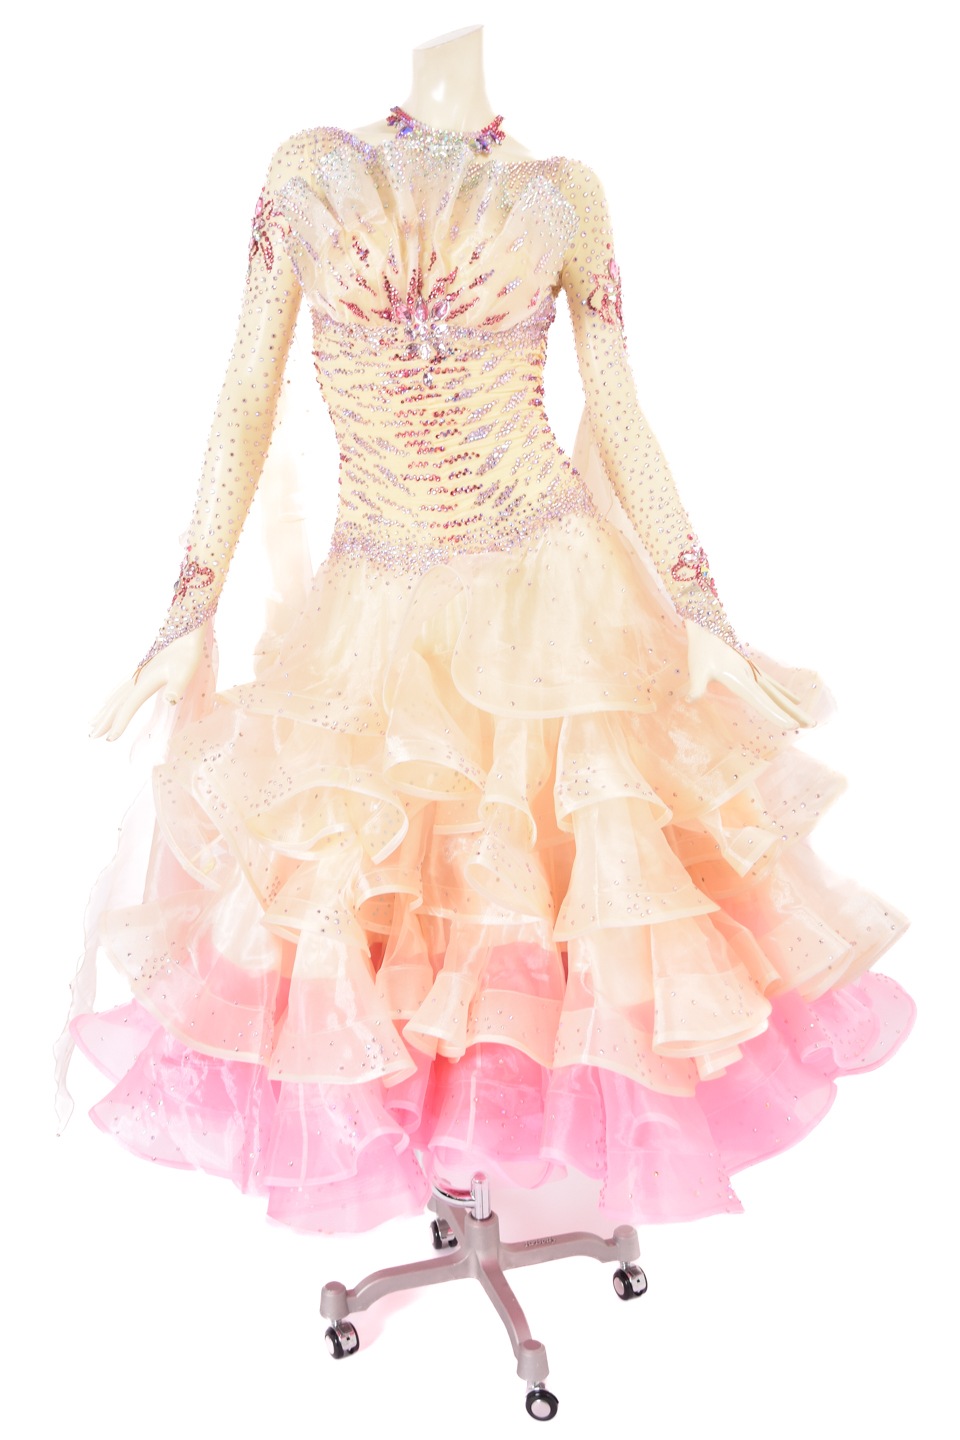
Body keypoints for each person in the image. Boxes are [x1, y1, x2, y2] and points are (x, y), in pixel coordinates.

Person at [55, 24, 914, 1235]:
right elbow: (244, 393)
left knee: (562, 895)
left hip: (549, 605)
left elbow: (619, 408)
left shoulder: (565, 193)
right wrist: (184, 611)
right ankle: (448, 1190)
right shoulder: (306, 171)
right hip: (373, 611)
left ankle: (506, 1175)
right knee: (354, 899)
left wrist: (701, 607)